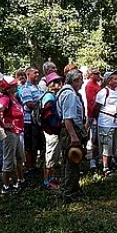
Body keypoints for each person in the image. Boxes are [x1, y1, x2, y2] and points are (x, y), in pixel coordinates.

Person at [57, 68, 88, 203]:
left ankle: (68, 188)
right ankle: (70, 193)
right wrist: (74, 137)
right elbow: (68, 118)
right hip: (70, 131)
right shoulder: (70, 95)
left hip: (69, 130)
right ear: (75, 81)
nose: (82, 83)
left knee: (68, 161)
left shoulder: (65, 92)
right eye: (80, 80)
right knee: (72, 162)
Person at [0, 75, 26, 193]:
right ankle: (6, 186)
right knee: (8, 159)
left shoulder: (13, 97)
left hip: (16, 132)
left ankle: (20, 180)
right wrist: (3, 124)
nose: (16, 85)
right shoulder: (5, 99)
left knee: (18, 157)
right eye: (13, 85)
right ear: (7, 88)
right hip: (9, 133)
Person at [91, 71, 117, 177]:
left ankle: (111, 163)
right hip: (105, 122)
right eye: (115, 79)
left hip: (116, 123)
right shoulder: (103, 92)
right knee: (106, 145)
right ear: (109, 81)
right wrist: (96, 120)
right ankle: (105, 167)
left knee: (113, 145)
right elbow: (96, 107)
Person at [19, 66, 44, 177]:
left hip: (38, 121)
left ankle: (34, 166)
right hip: (29, 121)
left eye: (38, 73)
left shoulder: (38, 88)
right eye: (35, 73)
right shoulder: (26, 89)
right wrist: (42, 105)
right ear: (28, 74)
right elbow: (29, 104)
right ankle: (30, 168)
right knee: (29, 146)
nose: (37, 75)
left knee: (35, 145)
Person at [42, 72, 64, 189]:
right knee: (50, 155)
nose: (59, 84)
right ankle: (47, 180)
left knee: (54, 155)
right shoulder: (49, 97)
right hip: (51, 131)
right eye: (56, 82)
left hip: (54, 130)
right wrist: (57, 125)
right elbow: (48, 116)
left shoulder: (54, 96)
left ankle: (52, 178)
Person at [85, 68, 102, 170]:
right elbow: (92, 102)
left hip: (98, 115)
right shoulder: (90, 86)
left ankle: (98, 157)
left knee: (98, 137)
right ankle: (92, 159)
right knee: (94, 138)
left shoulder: (96, 85)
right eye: (96, 74)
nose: (98, 75)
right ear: (91, 75)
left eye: (98, 73)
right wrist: (94, 116)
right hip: (94, 115)